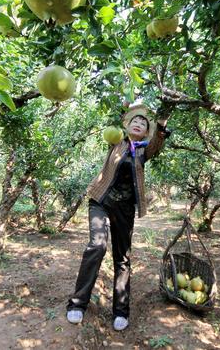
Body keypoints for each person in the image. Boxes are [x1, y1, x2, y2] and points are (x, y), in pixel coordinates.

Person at [66, 104, 171, 331]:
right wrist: (121, 106)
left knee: (122, 258)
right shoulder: (116, 141)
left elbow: (158, 142)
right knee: (97, 245)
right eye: (135, 120)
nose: (139, 123)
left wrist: (162, 119)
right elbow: (115, 123)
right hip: (101, 201)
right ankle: (77, 304)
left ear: (146, 132)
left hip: (124, 209)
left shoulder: (145, 150)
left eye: (144, 123)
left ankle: (121, 311)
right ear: (128, 124)